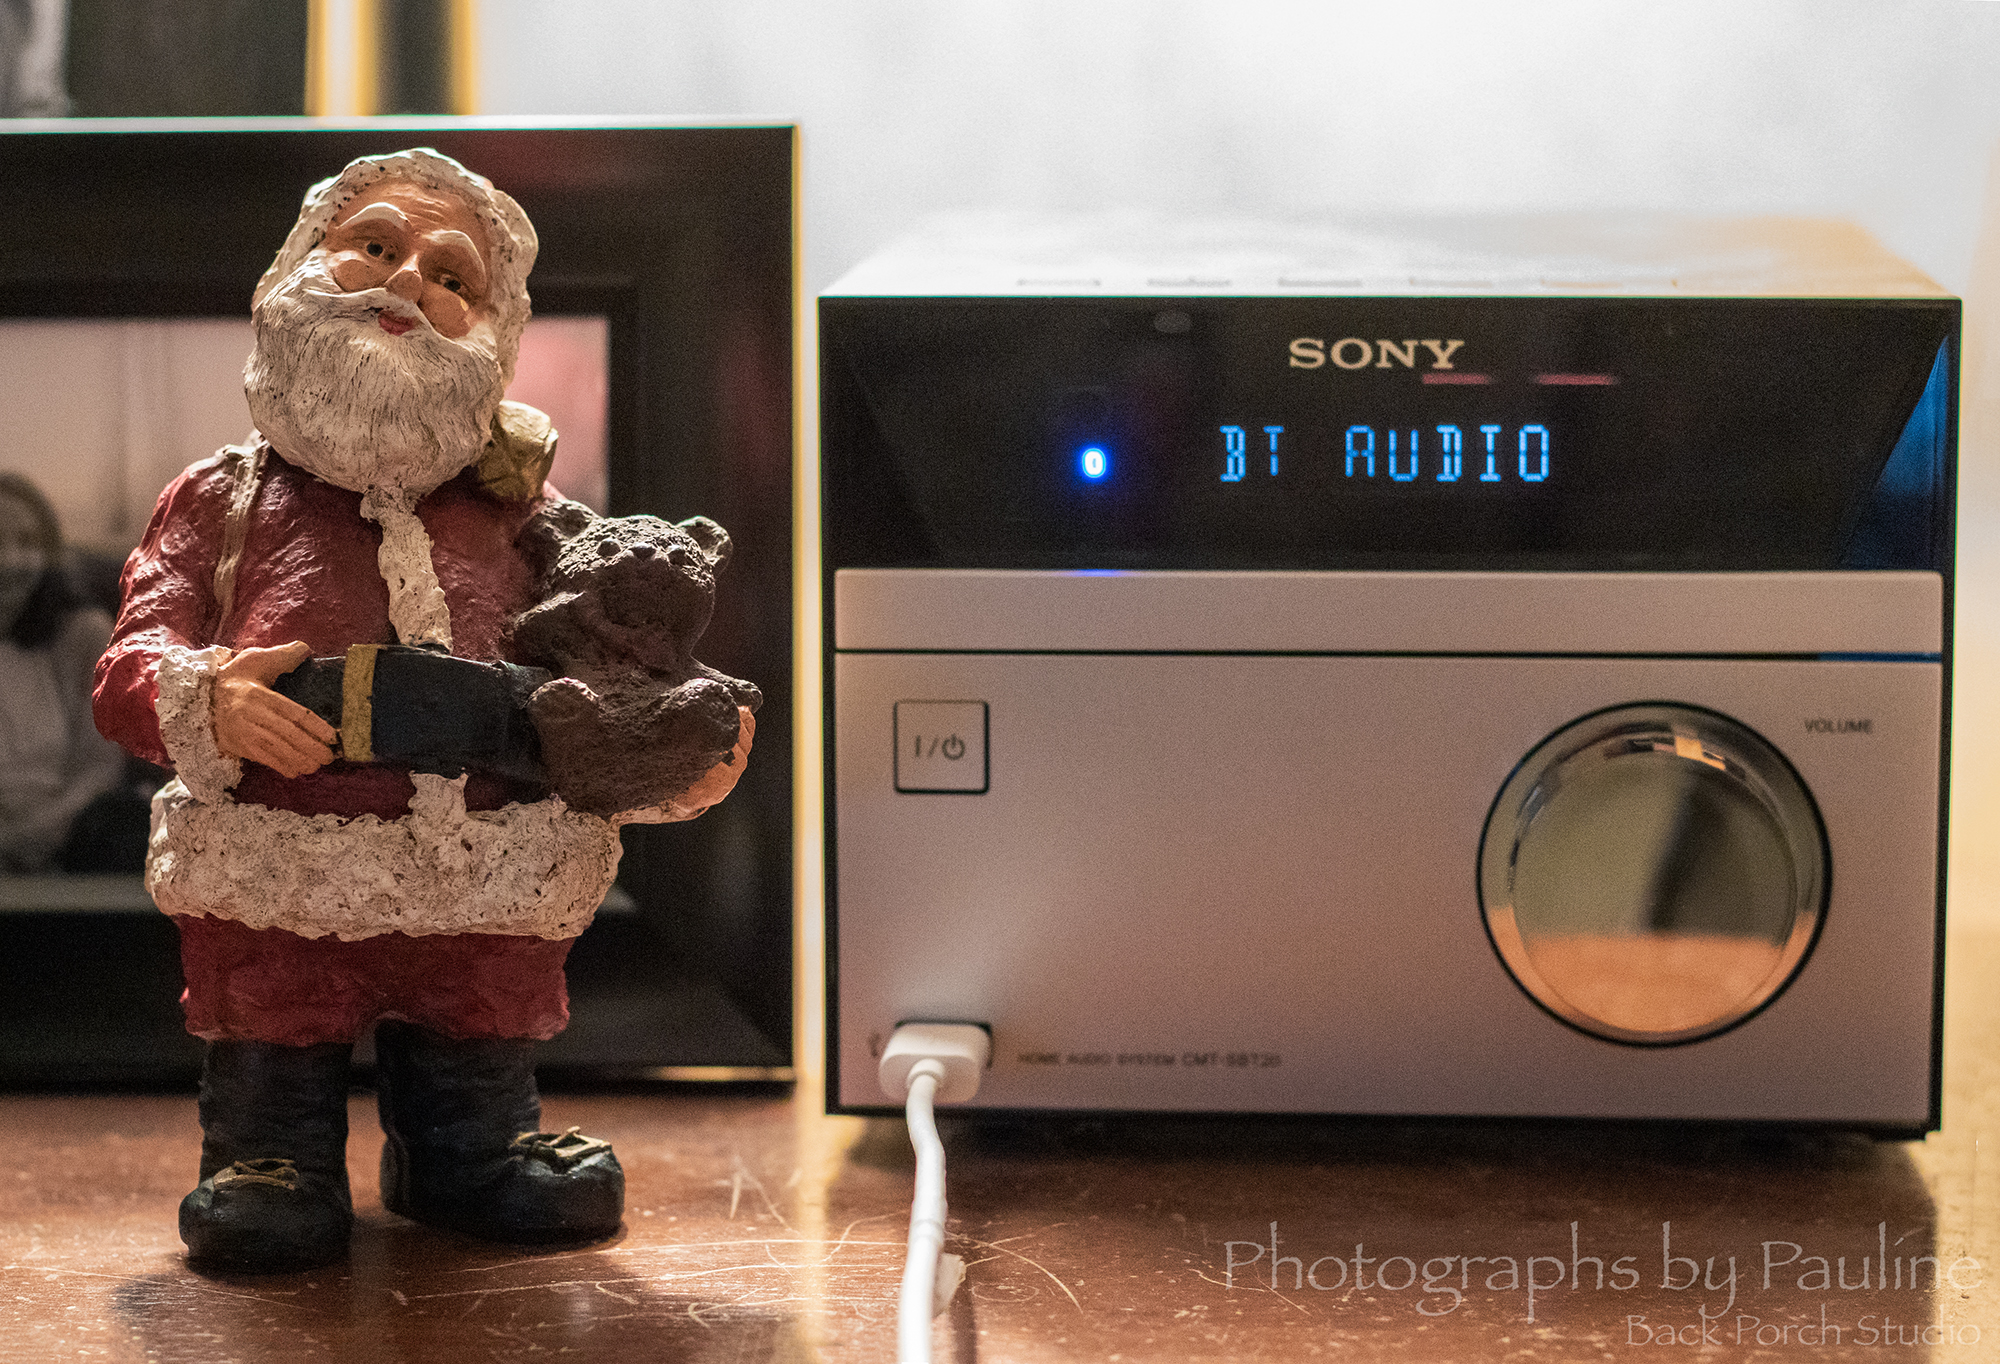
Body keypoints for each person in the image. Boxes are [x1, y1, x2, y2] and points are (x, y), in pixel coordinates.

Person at [93, 148, 752, 1273]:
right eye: (376, 246)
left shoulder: (529, 516)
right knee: (276, 1011)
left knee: (476, 1013)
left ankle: (470, 1152)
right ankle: (272, 1155)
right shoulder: (221, 500)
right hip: (278, 872)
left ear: (492, 333)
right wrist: (207, 696)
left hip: (485, 883)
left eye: (453, 276)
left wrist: (669, 737)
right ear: (298, 273)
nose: (407, 282)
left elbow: (612, 656)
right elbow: (130, 664)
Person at [0, 473, 136, 874]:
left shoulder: (83, 634)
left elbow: (100, 771)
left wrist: (32, 834)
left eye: (28, 543)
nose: (10, 560)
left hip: (68, 845)